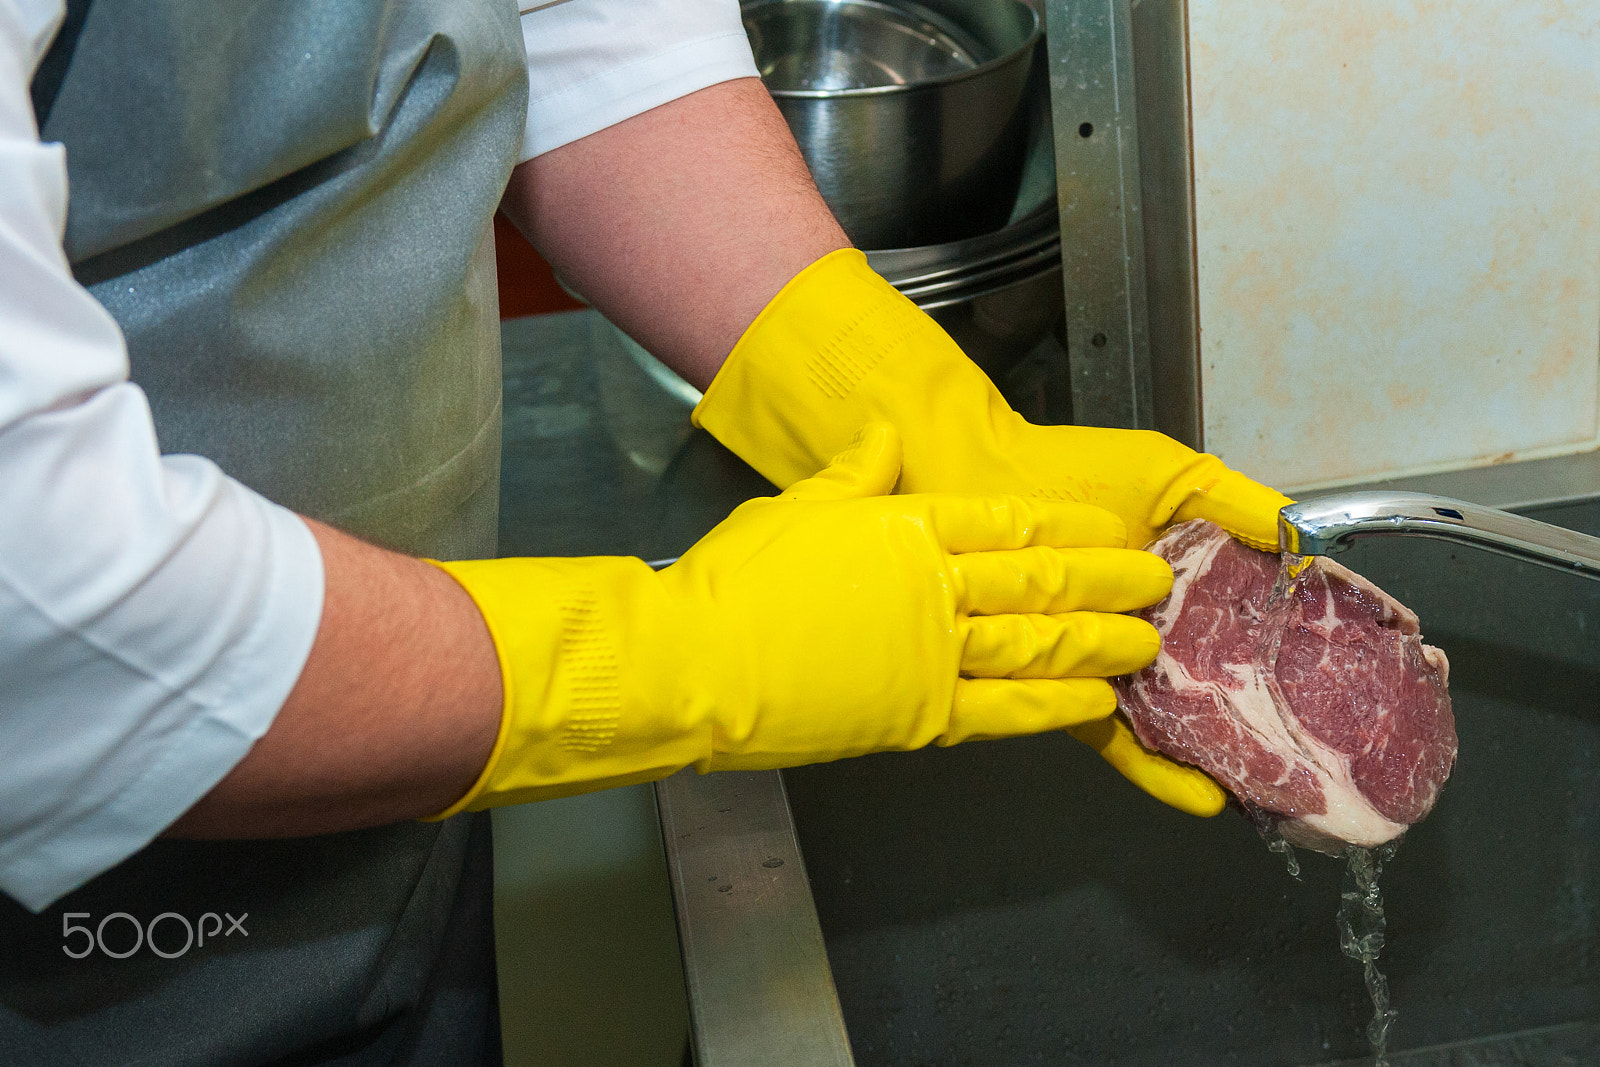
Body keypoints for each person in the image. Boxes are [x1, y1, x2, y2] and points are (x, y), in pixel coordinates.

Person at [0, 0, 1290, 1062]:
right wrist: (678, 662)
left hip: (394, 788)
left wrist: (900, 401)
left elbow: (569, 21)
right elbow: (46, 596)